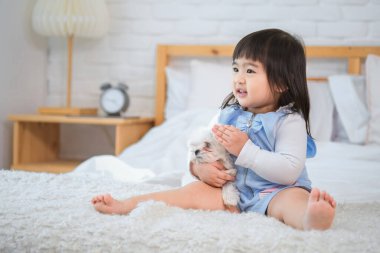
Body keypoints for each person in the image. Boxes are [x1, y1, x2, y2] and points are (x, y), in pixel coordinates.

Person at [92, 28, 336, 230]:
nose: (239, 78)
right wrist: (200, 168)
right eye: (235, 69)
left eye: (250, 71)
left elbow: (289, 172)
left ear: (281, 83)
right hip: (233, 192)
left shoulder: (288, 121)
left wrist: (245, 150)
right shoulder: (227, 114)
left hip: (275, 191)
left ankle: (310, 220)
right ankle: (129, 204)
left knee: (293, 200)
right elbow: (199, 148)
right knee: (189, 193)